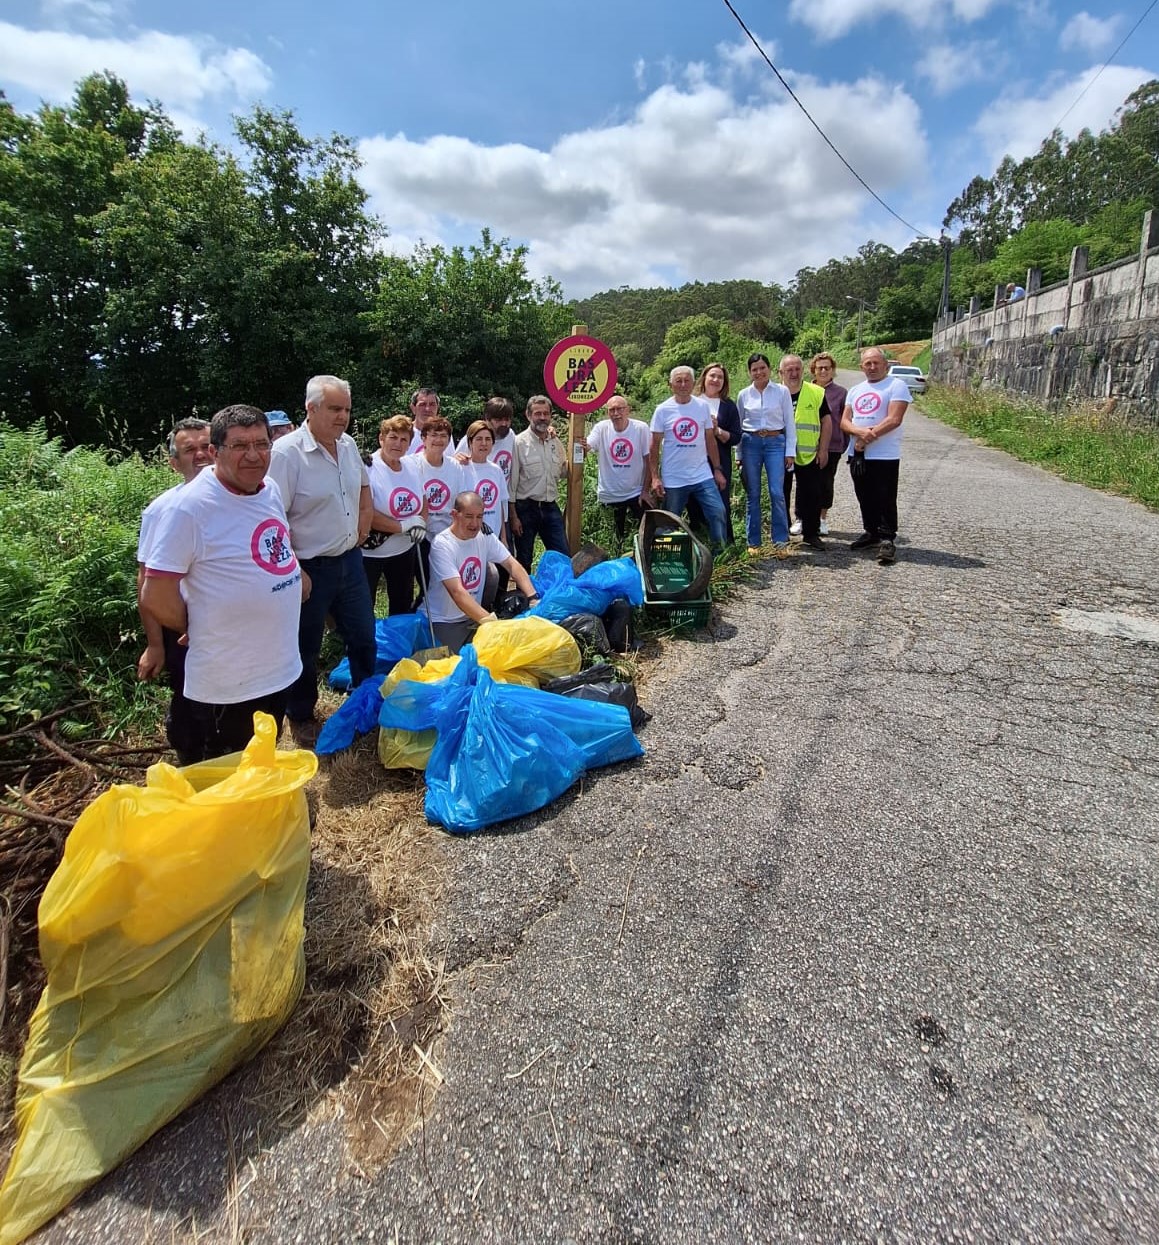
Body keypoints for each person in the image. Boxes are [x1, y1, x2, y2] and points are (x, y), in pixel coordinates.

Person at [141, 406, 305, 764]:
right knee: (227, 767)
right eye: (239, 446)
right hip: (228, 678)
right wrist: (195, 623)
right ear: (215, 452)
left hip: (277, 665)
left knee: (263, 754)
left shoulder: (270, 489)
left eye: (262, 444)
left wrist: (295, 578)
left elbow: (275, 545)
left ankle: (262, 815)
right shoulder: (188, 508)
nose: (253, 455)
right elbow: (155, 592)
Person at [267, 374, 377, 746]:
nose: (343, 416)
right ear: (310, 408)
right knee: (305, 645)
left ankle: (366, 700)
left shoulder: (346, 445)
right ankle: (300, 715)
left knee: (364, 636)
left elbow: (364, 486)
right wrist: (294, 569)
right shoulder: (286, 454)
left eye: (346, 409)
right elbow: (272, 518)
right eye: (334, 408)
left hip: (350, 561)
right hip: (310, 568)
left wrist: (364, 521)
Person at [136, 417, 212, 759]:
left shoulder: (248, 497)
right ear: (173, 463)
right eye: (189, 450)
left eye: (205, 446)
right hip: (184, 629)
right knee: (190, 698)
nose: (200, 455)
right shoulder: (163, 510)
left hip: (232, 627)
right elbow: (147, 584)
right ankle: (192, 760)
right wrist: (155, 646)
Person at [427, 491, 540, 654]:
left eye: (479, 517)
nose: (474, 523)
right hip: (445, 621)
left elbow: (512, 564)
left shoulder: (484, 536)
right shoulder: (442, 545)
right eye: (469, 516)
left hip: (472, 618)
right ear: (454, 515)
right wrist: (489, 621)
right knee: (457, 666)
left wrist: (533, 598)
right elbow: (457, 592)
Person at [841, 346, 911, 564]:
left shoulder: (896, 386)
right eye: (867, 364)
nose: (871, 367)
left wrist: (866, 436)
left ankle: (887, 538)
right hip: (858, 453)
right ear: (862, 366)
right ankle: (871, 532)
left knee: (885, 497)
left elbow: (894, 419)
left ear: (885, 364)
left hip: (884, 455)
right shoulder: (855, 390)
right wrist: (859, 433)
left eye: (876, 363)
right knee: (864, 495)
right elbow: (844, 421)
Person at [647, 365, 728, 550]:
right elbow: (654, 445)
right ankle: (667, 557)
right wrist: (655, 477)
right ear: (671, 385)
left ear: (693, 383)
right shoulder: (662, 410)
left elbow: (710, 440)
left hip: (702, 474)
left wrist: (717, 469)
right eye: (678, 381)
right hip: (674, 478)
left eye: (687, 381)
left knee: (718, 512)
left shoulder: (702, 406)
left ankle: (720, 553)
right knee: (670, 521)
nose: (683, 385)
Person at [363, 415, 426, 615]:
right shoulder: (368, 468)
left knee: (402, 603)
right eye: (393, 437)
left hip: (404, 550)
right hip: (372, 554)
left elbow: (423, 499)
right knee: (365, 606)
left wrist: (422, 522)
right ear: (382, 438)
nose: (398, 444)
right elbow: (367, 513)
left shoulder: (412, 466)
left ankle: (399, 643)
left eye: (404, 439)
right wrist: (402, 526)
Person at [734, 352, 795, 555]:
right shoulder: (743, 395)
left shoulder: (782, 391)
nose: (759, 372)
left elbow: (789, 423)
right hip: (750, 443)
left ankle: (781, 541)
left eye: (762, 368)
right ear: (749, 372)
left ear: (769, 369)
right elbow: (739, 427)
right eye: (754, 369)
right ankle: (754, 542)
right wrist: (739, 455)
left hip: (775, 442)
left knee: (777, 492)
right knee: (753, 494)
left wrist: (790, 451)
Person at [580, 394, 652, 550]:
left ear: (628, 410)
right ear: (607, 413)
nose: (616, 413)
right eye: (611, 410)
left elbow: (649, 461)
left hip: (636, 492)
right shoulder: (601, 428)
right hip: (610, 494)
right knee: (614, 541)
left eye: (620, 409)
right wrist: (584, 447)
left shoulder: (640, 428)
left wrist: (646, 490)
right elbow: (589, 445)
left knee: (647, 533)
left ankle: (642, 561)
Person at [777, 355, 831, 550]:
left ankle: (811, 533)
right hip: (781, 454)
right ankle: (781, 534)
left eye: (797, 369)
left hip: (809, 453)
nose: (793, 373)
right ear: (780, 372)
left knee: (812, 494)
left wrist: (824, 449)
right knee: (781, 493)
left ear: (803, 371)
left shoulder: (816, 392)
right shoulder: (774, 393)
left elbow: (826, 421)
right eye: (789, 370)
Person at [510, 394, 569, 569]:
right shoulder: (519, 443)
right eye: (537, 413)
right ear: (528, 415)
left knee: (562, 556)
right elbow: (512, 484)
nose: (542, 417)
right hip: (525, 508)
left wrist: (581, 452)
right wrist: (513, 517)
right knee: (524, 559)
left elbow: (564, 472)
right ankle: (525, 595)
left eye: (546, 413)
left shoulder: (555, 442)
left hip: (550, 506)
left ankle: (559, 594)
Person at [694, 362, 742, 544]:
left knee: (719, 505)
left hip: (719, 463)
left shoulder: (728, 405)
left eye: (720, 377)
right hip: (693, 462)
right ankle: (699, 545)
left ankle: (724, 545)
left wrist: (717, 431)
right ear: (704, 378)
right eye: (712, 376)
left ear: (725, 382)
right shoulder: (692, 402)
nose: (715, 380)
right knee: (695, 505)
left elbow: (736, 437)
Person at [810, 353, 847, 536]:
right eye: (820, 368)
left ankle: (822, 519)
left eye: (827, 367)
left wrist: (842, 444)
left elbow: (845, 420)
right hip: (808, 445)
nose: (823, 371)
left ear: (833, 370)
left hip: (832, 446)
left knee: (826, 483)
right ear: (813, 370)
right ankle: (804, 517)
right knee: (807, 484)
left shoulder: (840, 393)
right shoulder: (805, 389)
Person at [455, 396, 518, 492]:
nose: (504, 424)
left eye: (507, 420)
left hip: (501, 496)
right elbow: (454, 465)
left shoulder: (511, 435)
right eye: (498, 420)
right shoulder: (471, 439)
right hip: (477, 497)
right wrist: (457, 459)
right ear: (487, 420)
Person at [462, 419, 509, 543]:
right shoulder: (461, 469)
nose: (484, 443)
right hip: (469, 537)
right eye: (479, 439)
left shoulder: (496, 470)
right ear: (470, 442)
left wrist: (503, 538)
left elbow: (500, 505)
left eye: (488, 439)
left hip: (493, 537)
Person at [408, 387, 440, 452]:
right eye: (422, 404)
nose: (427, 409)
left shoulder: (444, 434)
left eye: (432, 404)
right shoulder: (404, 434)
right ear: (413, 408)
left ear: (437, 408)